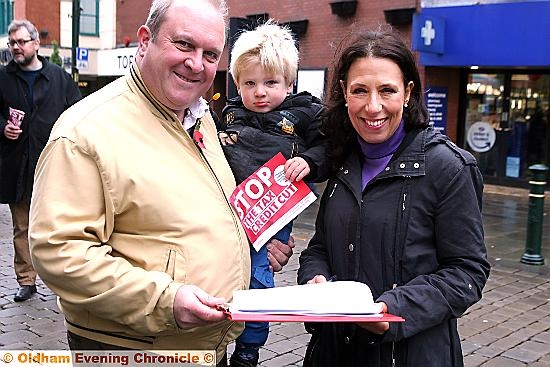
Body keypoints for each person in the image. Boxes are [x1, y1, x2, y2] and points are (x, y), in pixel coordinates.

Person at [28, 1, 292, 365]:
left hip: (204, 347)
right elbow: (60, 251)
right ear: (144, 40)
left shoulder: (200, 118)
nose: (197, 63)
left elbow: (198, 207)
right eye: (184, 44)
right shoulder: (85, 132)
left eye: (210, 53)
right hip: (134, 349)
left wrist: (252, 240)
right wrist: (166, 300)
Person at [297, 28, 490, 367]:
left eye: (387, 90)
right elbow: (320, 248)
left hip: (410, 355)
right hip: (335, 352)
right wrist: (315, 279)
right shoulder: (341, 159)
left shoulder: (448, 167)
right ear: (344, 92)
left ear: (408, 92)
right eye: (360, 90)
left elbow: (467, 272)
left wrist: (394, 309)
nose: (373, 107)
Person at [217, 20, 325, 367]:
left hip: (272, 214)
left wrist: (308, 161)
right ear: (237, 83)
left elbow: (331, 147)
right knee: (222, 274)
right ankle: (219, 334)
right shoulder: (229, 114)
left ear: (289, 82)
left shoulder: (305, 113)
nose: (260, 92)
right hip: (231, 211)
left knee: (258, 278)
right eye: (250, 83)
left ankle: (249, 348)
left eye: (270, 83)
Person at [0, 19, 81, 302]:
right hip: (18, 165)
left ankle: (64, 280)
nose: (16, 48)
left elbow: (77, 115)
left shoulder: (59, 78)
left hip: (52, 165)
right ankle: (26, 280)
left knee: (58, 225)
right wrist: (2, 127)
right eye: (12, 43)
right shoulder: (3, 77)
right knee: (22, 226)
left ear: (36, 43)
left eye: (21, 42)